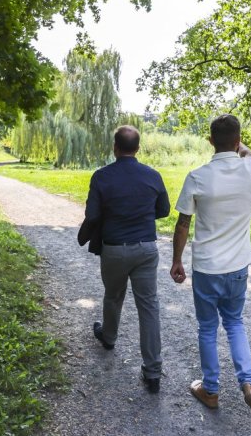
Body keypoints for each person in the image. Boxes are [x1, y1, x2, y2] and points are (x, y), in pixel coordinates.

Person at [170, 114, 251, 421]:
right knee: (235, 322)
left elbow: (183, 224)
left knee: (207, 328)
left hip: (207, 267)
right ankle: (249, 384)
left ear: (210, 141)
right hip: (238, 264)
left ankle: (211, 390)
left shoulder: (198, 176)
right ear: (239, 140)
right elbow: (249, 154)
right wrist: (240, 146)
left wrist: (177, 260)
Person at [79, 125, 170, 393]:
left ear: (115, 148)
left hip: (115, 249)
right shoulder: (152, 175)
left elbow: (93, 214)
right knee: (149, 307)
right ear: (138, 149)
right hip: (146, 249)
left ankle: (108, 337)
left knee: (113, 294)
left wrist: (85, 234)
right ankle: (153, 373)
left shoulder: (101, 177)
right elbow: (163, 210)